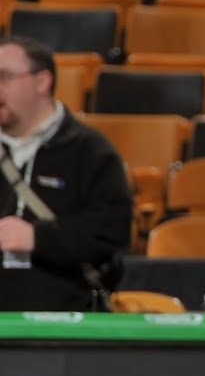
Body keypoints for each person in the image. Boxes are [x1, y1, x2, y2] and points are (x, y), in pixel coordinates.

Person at [0, 37, 131, 312]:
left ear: (42, 82)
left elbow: (111, 232)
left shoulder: (91, 151)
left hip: (66, 322)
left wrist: (39, 238)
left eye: (5, 77)